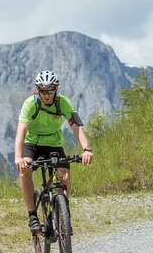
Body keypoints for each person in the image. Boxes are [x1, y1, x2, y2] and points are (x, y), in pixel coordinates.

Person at [14, 69, 93, 234]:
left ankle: (64, 216)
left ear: (56, 89)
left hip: (54, 145)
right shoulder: (30, 103)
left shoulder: (63, 102)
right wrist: (19, 157)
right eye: (43, 91)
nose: (47, 95)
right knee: (24, 170)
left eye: (50, 91)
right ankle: (33, 216)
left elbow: (76, 128)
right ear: (38, 90)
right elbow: (21, 132)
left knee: (64, 178)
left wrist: (86, 149)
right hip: (33, 144)